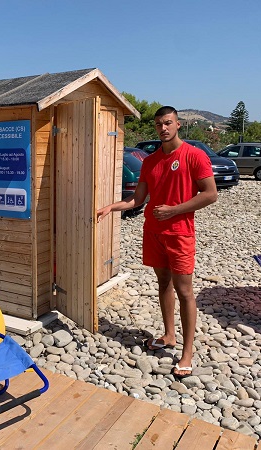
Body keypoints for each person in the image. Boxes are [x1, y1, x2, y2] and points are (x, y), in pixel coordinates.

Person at [96, 106, 217, 378]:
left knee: (185, 291)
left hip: (180, 234)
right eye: (159, 124)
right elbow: (137, 200)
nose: (163, 128)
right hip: (153, 232)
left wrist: (175, 209)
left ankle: (187, 353)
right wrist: (111, 207)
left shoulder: (194, 156)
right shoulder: (150, 161)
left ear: (178, 124)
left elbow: (210, 195)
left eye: (168, 123)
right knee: (163, 283)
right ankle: (169, 335)